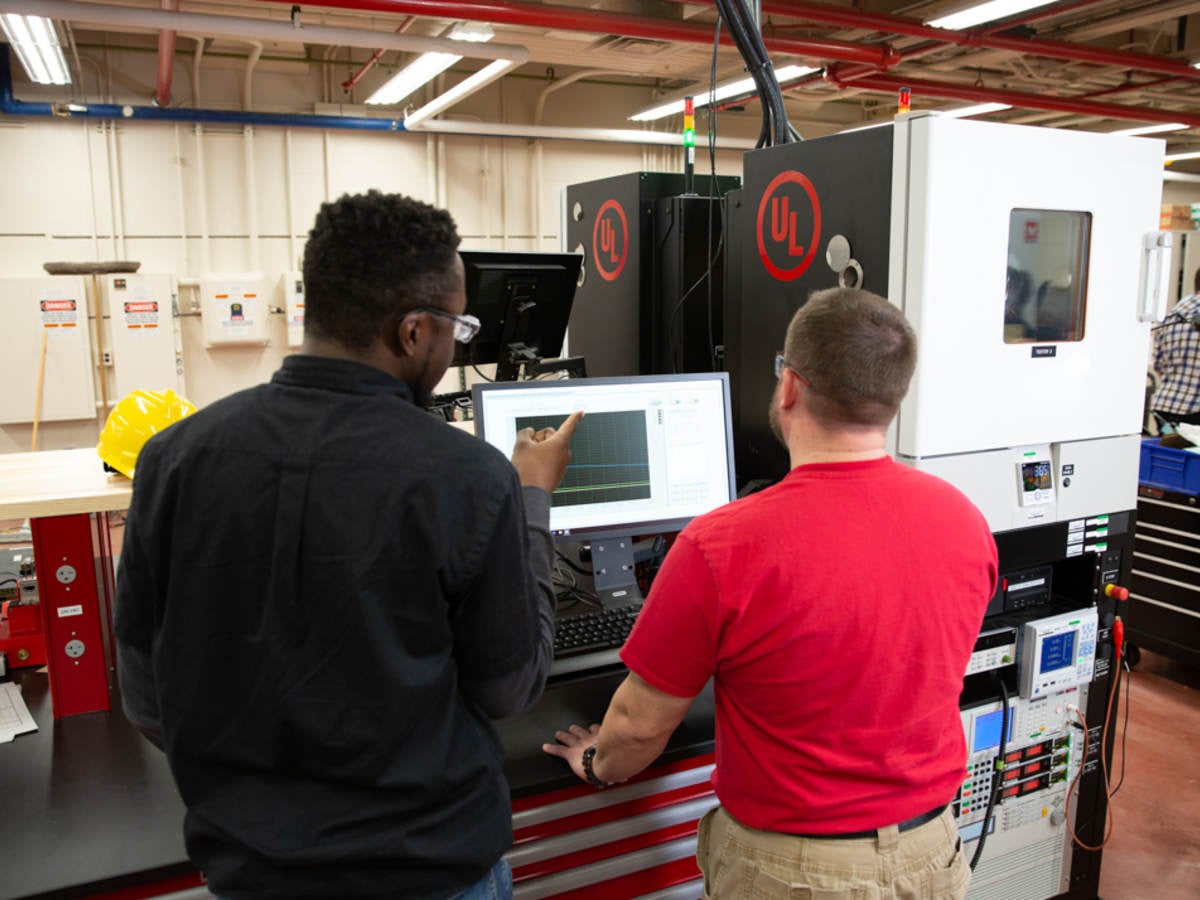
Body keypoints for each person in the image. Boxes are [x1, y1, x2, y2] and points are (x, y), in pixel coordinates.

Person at [115, 190, 581, 900]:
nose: (453, 343)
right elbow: (510, 685)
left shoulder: (174, 459)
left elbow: (148, 698)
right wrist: (532, 500)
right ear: (414, 332)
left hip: (254, 873)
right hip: (431, 870)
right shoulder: (469, 477)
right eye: (456, 325)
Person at [544, 287, 998, 899]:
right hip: (932, 851)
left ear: (789, 385)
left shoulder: (723, 545)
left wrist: (597, 763)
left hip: (794, 874)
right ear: (892, 397)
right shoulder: (963, 518)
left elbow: (638, 727)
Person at [1151, 267, 1200, 429]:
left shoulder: (1178, 310)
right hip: (1195, 412)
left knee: (1168, 453)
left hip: (1165, 406)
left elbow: (1158, 363)